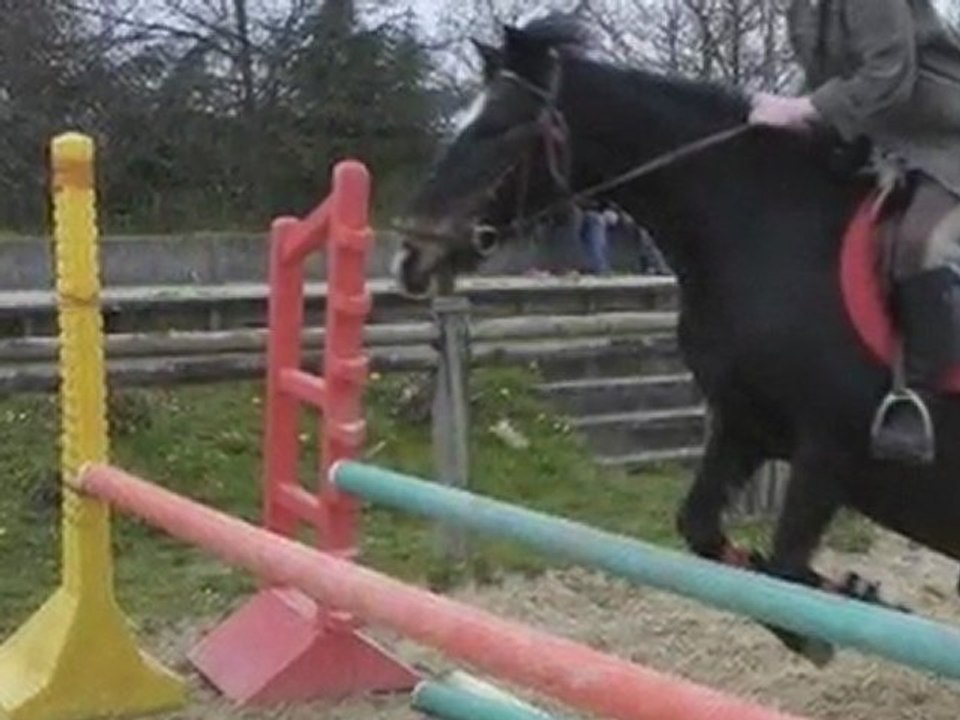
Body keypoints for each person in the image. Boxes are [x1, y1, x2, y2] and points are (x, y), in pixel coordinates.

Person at [749, 0, 960, 464]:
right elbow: (826, 81)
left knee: (918, 244)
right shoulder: (801, 9)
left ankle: (921, 400)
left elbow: (890, 73)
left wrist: (804, 107)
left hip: (946, 138)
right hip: (879, 138)